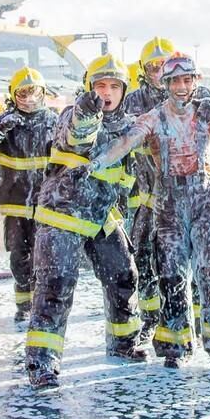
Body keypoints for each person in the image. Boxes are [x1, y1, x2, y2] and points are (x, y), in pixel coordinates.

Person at [89, 53, 210, 369]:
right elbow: (127, 141)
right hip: (168, 206)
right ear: (165, 84)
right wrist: (98, 163)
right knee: (171, 277)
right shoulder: (154, 117)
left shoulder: (207, 112)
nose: (181, 87)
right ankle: (174, 346)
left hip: (207, 202)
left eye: (187, 80)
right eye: (175, 81)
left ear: (196, 81)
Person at [24, 53, 146, 389]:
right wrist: (87, 110)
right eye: (100, 85)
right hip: (62, 215)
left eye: (114, 86)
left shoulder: (128, 127)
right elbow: (78, 136)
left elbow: (128, 177)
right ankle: (42, 364)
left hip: (100, 217)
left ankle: (124, 343)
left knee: (124, 275)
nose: (106, 92)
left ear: (124, 91)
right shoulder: (71, 115)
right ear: (88, 88)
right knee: (56, 286)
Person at [0, 66, 58, 323]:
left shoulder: (54, 122)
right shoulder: (6, 121)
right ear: (14, 95)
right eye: (23, 93)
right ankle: (22, 303)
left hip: (46, 204)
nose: (29, 98)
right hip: (15, 205)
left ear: (43, 93)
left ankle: (39, 304)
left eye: (34, 92)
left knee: (42, 257)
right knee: (18, 257)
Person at [119, 35, 177, 335]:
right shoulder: (134, 101)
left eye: (164, 65)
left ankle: (183, 322)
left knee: (176, 262)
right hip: (146, 198)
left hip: (182, 199)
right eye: (153, 66)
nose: (159, 72)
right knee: (142, 257)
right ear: (144, 70)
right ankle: (151, 318)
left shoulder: (186, 94)